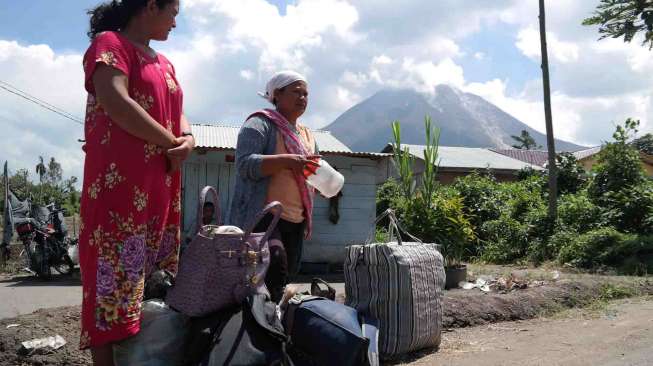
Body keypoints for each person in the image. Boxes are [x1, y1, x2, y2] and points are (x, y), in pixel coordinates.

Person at [78, 1, 193, 364]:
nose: (176, 22)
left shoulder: (164, 63)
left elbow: (179, 111)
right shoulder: (110, 44)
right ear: (149, 7)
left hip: (159, 188)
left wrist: (187, 138)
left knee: (150, 285)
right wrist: (169, 140)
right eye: (172, 12)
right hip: (119, 190)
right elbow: (115, 100)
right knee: (109, 291)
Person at [228, 70, 320, 302]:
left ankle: (272, 320)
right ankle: (264, 321)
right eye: (296, 92)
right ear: (276, 95)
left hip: (296, 217)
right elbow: (245, 164)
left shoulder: (307, 135)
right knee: (274, 262)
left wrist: (323, 183)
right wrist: (286, 161)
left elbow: (312, 171)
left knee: (286, 270)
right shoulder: (259, 124)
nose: (302, 98)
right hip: (263, 213)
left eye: (306, 94)